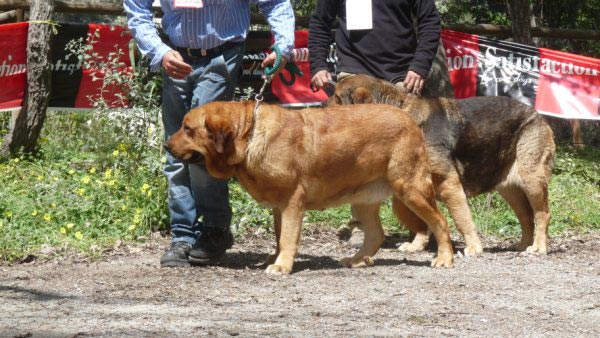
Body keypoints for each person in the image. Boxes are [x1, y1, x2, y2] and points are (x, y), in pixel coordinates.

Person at [124, 0, 295, 267]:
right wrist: (159, 51)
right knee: (177, 149)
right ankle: (183, 236)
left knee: (202, 148)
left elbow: (275, 2)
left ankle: (215, 229)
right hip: (174, 57)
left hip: (221, 57)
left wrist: (283, 46)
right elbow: (136, 8)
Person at [308, 0, 442, 247]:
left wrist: (420, 67)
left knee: (408, 158)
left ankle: (421, 228)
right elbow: (320, 21)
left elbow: (430, 21)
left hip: (401, 79)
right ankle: (363, 226)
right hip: (354, 77)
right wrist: (318, 64)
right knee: (358, 157)